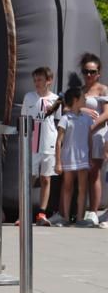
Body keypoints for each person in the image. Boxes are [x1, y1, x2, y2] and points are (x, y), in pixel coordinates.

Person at [22, 67, 59, 225]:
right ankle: (23, 213)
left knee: (46, 178)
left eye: (40, 80)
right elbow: (24, 119)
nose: (37, 83)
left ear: (48, 81)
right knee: (29, 178)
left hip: (48, 144)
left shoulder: (56, 99)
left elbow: (57, 122)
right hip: (32, 144)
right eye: (35, 80)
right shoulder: (29, 97)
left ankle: (41, 214)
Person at [54, 88, 93, 227]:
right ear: (76, 100)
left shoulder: (87, 119)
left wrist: (90, 157)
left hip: (83, 158)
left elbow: (89, 140)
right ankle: (64, 218)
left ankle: (79, 219)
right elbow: (59, 141)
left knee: (83, 188)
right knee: (68, 187)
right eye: (83, 97)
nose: (85, 99)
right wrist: (58, 162)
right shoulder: (65, 119)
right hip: (68, 157)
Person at [78, 53, 108, 215]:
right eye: (85, 71)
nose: (89, 75)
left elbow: (106, 114)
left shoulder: (103, 89)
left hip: (97, 135)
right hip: (80, 137)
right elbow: (72, 108)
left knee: (95, 171)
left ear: (98, 72)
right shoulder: (80, 90)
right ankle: (81, 210)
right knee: (83, 172)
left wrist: (91, 127)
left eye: (92, 71)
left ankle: (94, 212)